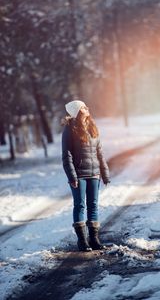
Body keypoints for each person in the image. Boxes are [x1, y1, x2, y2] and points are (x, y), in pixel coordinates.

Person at [61, 100, 111, 252]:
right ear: (77, 112)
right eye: (83, 107)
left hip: (94, 173)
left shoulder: (92, 127)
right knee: (80, 205)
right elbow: (66, 155)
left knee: (93, 205)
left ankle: (94, 239)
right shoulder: (69, 130)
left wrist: (104, 173)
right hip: (79, 174)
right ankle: (82, 241)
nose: (86, 108)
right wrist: (72, 176)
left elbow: (100, 153)